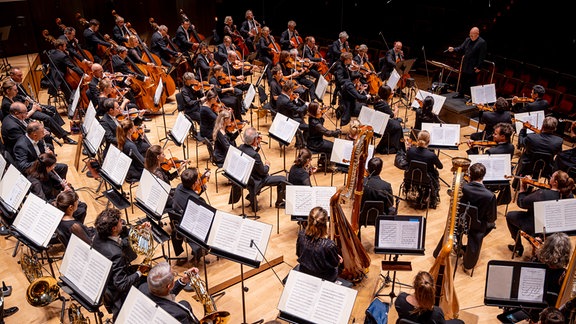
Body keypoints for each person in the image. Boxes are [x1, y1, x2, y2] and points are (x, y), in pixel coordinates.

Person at [436, 163, 497, 273]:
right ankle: (468, 262)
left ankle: (450, 247)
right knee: (490, 225)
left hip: (460, 221)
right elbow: (492, 218)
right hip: (476, 227)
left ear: (469, 175)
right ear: (483, 176)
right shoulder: (490, 195)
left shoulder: (463, 188)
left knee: (457, 224)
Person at [92, 208, 147, 320]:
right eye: (120, 222)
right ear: (114, 228)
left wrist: (139, 229)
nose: (122, 222)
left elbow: (120, 239)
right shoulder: (116, 254)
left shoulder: (98, 235)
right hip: (116, 293)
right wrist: (139, 272)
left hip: (104, 280)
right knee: (148, 281)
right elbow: (121, 284)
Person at [506, 170, 574, 256]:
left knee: (509, 216)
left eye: (552, 177)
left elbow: (521, 202)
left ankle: (518, 247)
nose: (550, 178)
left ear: (555, 182)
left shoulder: (542, 194)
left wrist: (523, 187)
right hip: (557, 229)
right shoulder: (569, 195)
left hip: (537, 227)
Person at [26, 152, 87, 223]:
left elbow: (58, 184)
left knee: (82, 205)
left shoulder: (47, 172)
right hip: (50, 206)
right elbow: (43, 203)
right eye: (53, 165)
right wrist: (61, 196)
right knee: (81, 210)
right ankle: (71, 227)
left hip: (56, 201)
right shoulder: (35, 182)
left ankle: (75, 226)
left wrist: (64, 185)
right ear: (47, 167)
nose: (54, 167)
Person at [239, 127, 287, 212]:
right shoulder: (255, 155)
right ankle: (279, 203)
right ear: (254, 140)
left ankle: (251, 196)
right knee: (283, 180)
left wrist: (257, 144)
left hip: (247, 178)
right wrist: (267, 165)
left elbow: (251, 154)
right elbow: (263, 171)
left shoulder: (241, 147)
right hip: (257, 180)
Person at [395, 271, 464, 324]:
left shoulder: (400, 300)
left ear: (414, 285)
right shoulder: (436, 313)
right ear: (432, 289)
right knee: (460, 322)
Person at [171, 168, 209, 262]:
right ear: (195, 183)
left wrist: (199, 191)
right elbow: (206, 218)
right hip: (191, 229)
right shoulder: (197, 200)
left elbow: (188, 196)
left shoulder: (179, 187)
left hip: (179, 225)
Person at [296, 206, 342, 282]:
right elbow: (334, 264)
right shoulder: (329, 245)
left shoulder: (301, 235)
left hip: (304, 271)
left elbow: (298, 253)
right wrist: (338, 259)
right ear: (325, 224)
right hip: (325, 277)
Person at [405, 130, 443, 208]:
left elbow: (407, 161)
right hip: (426, 179)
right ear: (428, 141)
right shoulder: (431, 155)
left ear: (418, 139)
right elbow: (440, 167)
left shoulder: (410, 150)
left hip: (411, 176)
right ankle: (426, 195)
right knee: (435, 172)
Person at [447, 26, 487, 99]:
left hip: (474, 65)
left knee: (472, 82)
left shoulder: (482, 42)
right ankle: (461, 94)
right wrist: (453, 49)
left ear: (477, 34)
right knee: (463, 80)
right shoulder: (467, 40)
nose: (470, 35)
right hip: (466, 64)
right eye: (470, 33)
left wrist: (479, 66)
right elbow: (461, 48)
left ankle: (473, 98)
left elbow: (482, 56)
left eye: (472, 34)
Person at [46, 38, 85, 103]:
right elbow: (72, 66)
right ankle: (71, 106)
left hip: (53, 77)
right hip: (60, 78)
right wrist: (82, 74)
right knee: (71, 92)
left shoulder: (52, 53)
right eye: (64, 46)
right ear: (60, 47)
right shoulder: (62, 56)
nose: (66, 47)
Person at [373, 84, 404, 154]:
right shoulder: (383, 104)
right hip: (383, 123)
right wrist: (396, 109)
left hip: (382, 119)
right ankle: (394, 147)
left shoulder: (378, 99)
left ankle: (392, 145)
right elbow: (393, 116)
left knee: (397, 123)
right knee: (398, 126)